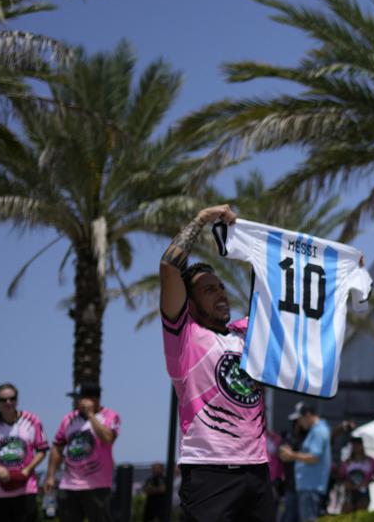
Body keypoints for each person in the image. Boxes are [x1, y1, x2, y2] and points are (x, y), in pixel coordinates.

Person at [158, 205, 274, 522]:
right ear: (189, 304)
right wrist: (201, 220)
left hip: (258, 472)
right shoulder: (185, 337)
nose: (220, 294)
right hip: (210, 474)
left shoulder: (246, 331)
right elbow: (169, 266)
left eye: (221, 287)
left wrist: (344, 267)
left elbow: (291, 304)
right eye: (209, 290)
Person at [0, 383, 48, 522]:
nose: (8, 402)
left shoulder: (32, 420)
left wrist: (27, 470)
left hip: (24, 488)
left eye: (12, 398)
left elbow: (42, 450)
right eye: (3, 400)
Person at [45, 383, 120, 522]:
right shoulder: (68, 419)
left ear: (94, 399)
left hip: (98, 485)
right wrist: (50, 475)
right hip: (69, 484)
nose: (76, 402)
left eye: (79, 398)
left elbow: (108, 438)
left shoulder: (110, 416)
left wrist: (91, 415)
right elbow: (57, 447)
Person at [276, 404, 329, 522]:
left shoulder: (318, 431)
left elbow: (314, 457)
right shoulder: (317, 430)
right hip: (308, 487)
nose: (299, 423)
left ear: (308, 415)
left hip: (310, 487)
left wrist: (291, 455)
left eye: (300, 419)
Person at [338, 438, 374, 513]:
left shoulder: (370, 461)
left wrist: (367, 482)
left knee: (361, 512)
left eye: (358, 445)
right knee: (347, 512)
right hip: (349, 492)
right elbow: (340, 477)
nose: (356, 447)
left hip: (363, 491)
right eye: (354, 445)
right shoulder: (347, 462)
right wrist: (345, 483)